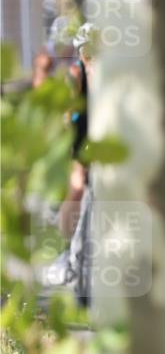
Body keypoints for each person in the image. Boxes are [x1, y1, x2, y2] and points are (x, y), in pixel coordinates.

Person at [58, 22, 96, 239]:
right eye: (87, 51)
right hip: (78, 134)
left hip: (102, 134)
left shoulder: (109, 73)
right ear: (80, 53)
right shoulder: (75, 74)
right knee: (77, 186)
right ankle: (64, 245)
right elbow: (68, 117)